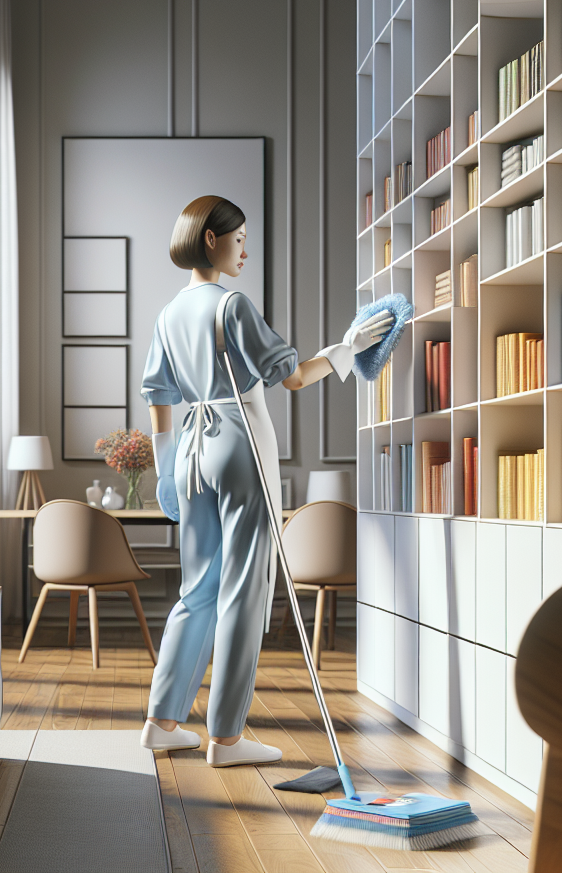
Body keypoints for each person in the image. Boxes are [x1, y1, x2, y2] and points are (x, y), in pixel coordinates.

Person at [139, 196, 391, 767]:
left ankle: (161, 721)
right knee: (245, 588)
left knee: (196, 589)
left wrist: (165, 469)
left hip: (188, 450)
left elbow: (158, 396)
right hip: (236, 439)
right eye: (240, 238)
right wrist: (345, 352)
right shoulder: (232, 304)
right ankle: (225, 738)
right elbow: (294, 378)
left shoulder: (168, 313)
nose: (245, 249)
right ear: (211, 239)